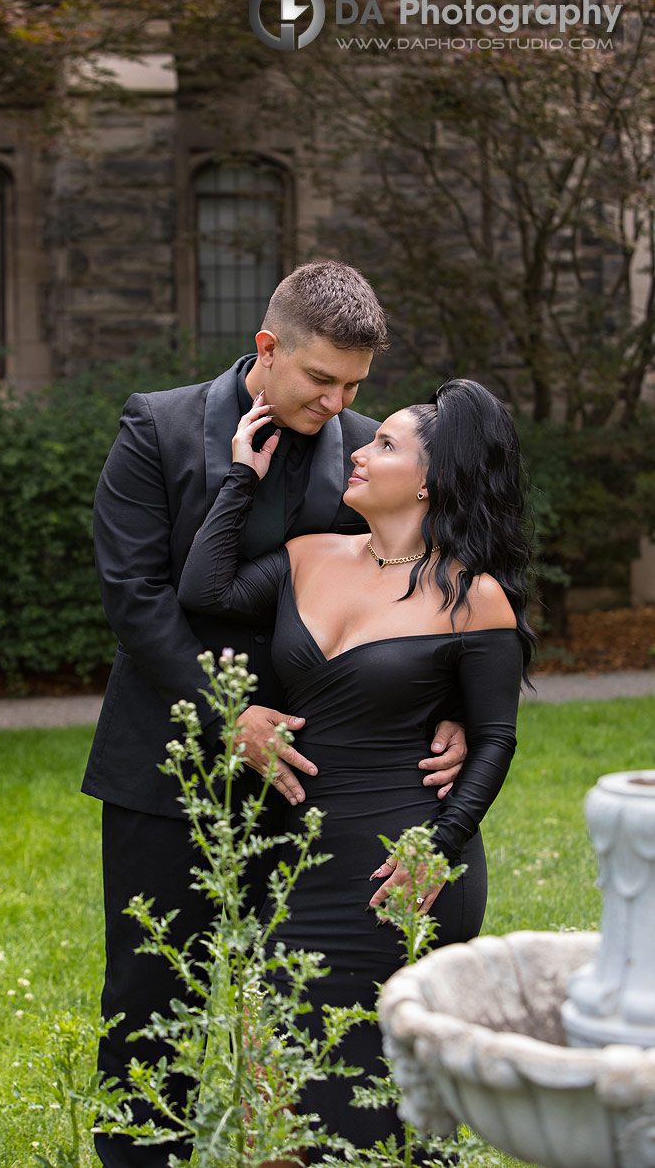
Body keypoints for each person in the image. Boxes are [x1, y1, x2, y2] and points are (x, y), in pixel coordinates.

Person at [82, 261, 468, 1168]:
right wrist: (230, 717)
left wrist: (452, 706)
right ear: (267, 349)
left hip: (320, 774)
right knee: (148, 993)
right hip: (165, 764)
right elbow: (135, 600)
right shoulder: (160, 425)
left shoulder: (376, 449)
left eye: (353, 387)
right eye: (319, 380)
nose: (338, 403)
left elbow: (423, 587)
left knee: (310, 996)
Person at [177, 377, 535, 1158]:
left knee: (385, 1114)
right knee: (271, 1099)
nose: (362, 451)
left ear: (431, 480)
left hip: (398, 871)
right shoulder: (308, 555)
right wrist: (242, 476)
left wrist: (435, 850)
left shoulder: (475, 599)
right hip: (295, 861)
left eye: (384, 444)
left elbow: (496, 737)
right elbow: (203, 588)